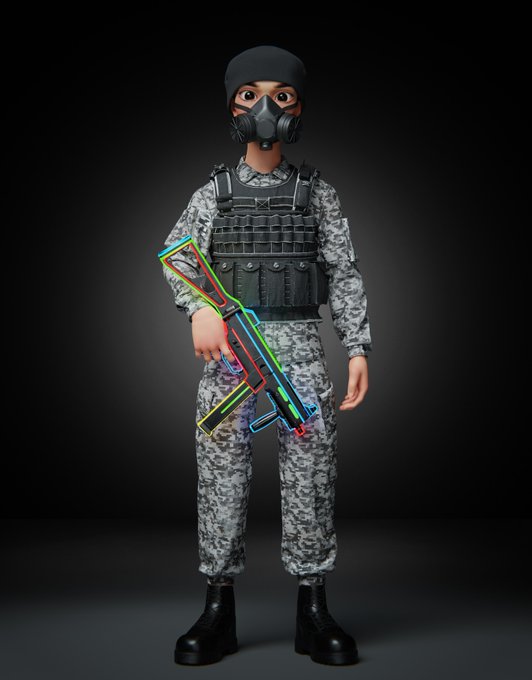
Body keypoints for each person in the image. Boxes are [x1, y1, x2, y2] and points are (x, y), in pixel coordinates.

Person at [161, 45, 371, 666]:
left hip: (302, 355)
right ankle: (217, 607)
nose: (265, 108)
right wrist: (200, 308)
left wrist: (357, 346)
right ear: (232, 105)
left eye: (282, 95)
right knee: (220, 476)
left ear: (298, 106)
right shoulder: (214, 193)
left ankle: (313, 608)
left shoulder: (318, 195)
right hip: (231, 359)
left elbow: (344, 273)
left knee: (311, 479)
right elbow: (176, 254)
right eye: (249, 94)